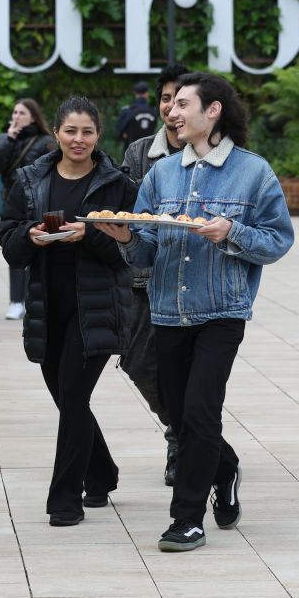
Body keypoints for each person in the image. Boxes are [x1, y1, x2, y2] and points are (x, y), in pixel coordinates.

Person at [97, 73, 294, 553]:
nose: (172, 112)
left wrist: (232, 231)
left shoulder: (253, 172)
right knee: (182, 418)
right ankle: (224, 470)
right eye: (172, 105)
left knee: (201, 412)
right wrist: (124, 235)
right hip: (167, 310)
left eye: (184, 104)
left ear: (214, 111)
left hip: (221, 310)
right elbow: (144, 250)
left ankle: (186, 519)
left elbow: (278, 240)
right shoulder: (161, 174)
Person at [0, 96, 137, 526]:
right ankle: (102, 473)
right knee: (67, 399)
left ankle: (64, 499)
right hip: (48, 307)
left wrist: (89, 234)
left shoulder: (119, 184)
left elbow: (130, 252)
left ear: (99, 135)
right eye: (71, 131)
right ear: (56, 132)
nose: (79, 140)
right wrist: (32, 235)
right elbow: (9, 244)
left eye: (88, 132)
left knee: (75, 396)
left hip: (97, 308)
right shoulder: (29, 180)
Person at [119, 61, 189, 485]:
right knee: (138, 362)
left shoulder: (219, 153)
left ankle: (184, 441)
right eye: (166, 99)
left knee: (187, 369)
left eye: (181, 100)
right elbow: (128, 206)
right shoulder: (140, 152)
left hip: (196, 283)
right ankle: (183, 428)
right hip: (145, 277)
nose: (171, 107)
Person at [0, 98, 57, 320]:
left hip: (40, 204)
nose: (16, 117)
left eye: (21, 113)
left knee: (42, 252)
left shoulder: (45, 141)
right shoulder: (9, 140)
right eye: (14, 112)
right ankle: (16, 301)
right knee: (15, 250)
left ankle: (39, 299)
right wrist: (9, 138)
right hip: (13, 203)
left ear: (33, 117)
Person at [116, 79, 158, 149]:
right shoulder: (153, 111)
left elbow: (120, 132)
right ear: (147, 93)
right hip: (149, 151)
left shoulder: (127, 111)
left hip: (130, 151)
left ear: (134, 93)